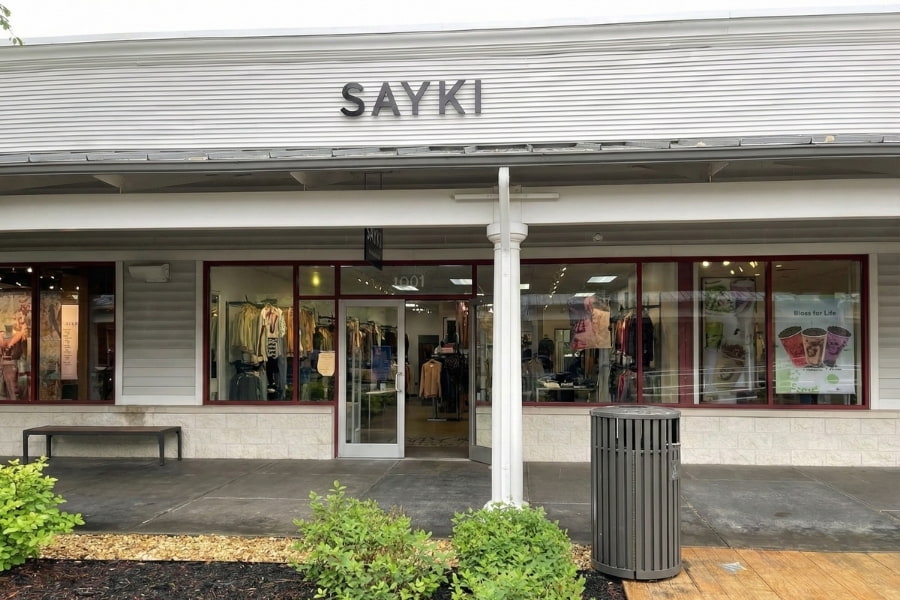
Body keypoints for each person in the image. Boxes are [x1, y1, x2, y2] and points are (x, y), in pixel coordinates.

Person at [1, 320, 27, 400]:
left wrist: (23, 366)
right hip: (5, 364)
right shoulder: (1, 336)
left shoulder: (19, 335)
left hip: (15, 363)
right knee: (8, 386)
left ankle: (16, 400)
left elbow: (24, 353)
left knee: (14, 386)